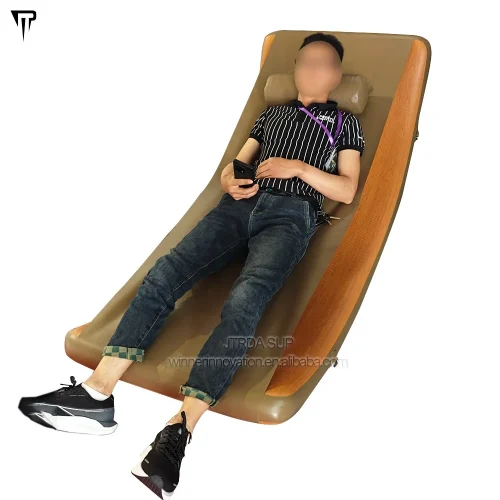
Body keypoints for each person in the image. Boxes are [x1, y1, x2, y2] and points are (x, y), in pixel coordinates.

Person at [18, 31, 365, 498]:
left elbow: (346, 189)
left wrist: (297, 169)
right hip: (238, 207)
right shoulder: (271, 114)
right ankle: (97, 393)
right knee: (166, 271)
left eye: (321, 62)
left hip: (290, 215)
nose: (310, 69)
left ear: (336, 75)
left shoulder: (344, 123)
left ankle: (179, 430)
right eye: (304, 61)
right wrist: (230, 180)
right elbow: (234, 165)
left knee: (246, 298)